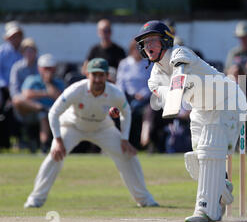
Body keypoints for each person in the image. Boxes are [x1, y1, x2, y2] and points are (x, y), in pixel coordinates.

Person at [135, 20, 247, 222]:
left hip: (227, 101)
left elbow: (179, 76)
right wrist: (173, 97)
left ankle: (205, 210)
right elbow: (166, 97)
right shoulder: (154, 77)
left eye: (153, 40)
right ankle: (222, 189)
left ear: (166, 41)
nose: (148, 46)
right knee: (196, 160)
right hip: (201, 109)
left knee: (208, 152)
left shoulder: (180, 53)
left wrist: (175, 93)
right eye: (145, 42)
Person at [24, 58, 158, 208]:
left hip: (102, 128)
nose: (98, 79)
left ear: (107, 76)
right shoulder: (76, 89)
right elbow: (54, 112)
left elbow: (126, 112)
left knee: (128, 155)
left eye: (101, 75)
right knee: (55, 156)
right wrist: (58, 140)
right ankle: (35, 200)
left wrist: (124, 139)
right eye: (94, 75)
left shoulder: (115, 92)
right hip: (72, 125)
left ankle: (145, 199)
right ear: (88, 74)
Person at [18, 54, 65, 152]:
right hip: (32, 111)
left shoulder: (58, 82)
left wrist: (48, 83)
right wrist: (46, 93)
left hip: (53, 113)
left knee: (44, 115)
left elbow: (61, 97)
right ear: (39, 68)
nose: (48, 71)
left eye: (50, 68)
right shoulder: (32, 79)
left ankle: (44, 145)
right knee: (42, 113)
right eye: (45, 68)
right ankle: (44, 144)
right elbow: (26, 94)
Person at [116, 40, 153, 149]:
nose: (138, 51)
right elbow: (120, 83)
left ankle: (145, 139)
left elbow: (154, 82)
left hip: (146, 98)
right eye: (136, 48)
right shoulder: (124, 64)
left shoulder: (149, 63)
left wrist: (143, 93)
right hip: (128, 97)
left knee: (150, 111)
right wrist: (123, 97)